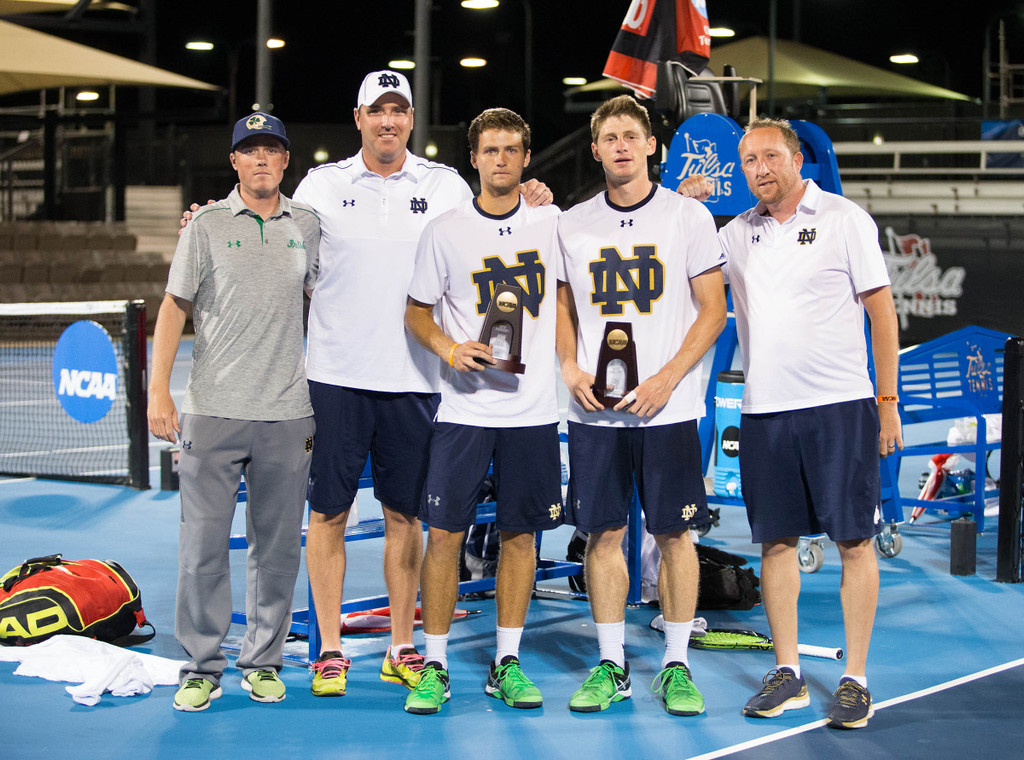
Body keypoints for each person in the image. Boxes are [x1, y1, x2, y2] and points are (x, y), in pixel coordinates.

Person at [289, 71, 553, 697]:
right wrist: (209, 213)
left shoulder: (445, 186)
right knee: (328, 514)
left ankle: (402, 646)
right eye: (377, 111)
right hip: (335, 377)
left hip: (419, 381)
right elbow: (275, 233)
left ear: (411, 120)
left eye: (399, 111)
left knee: (405, 518)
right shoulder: (321, 186)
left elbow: (496, 227)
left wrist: (532, 197)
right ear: (358, 118)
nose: (388, 121)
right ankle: (329, 649)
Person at [681, 117, 902, 729]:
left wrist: (887, 401)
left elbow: (882, 314)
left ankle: (855, 679)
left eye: (770, 156)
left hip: (840, 407)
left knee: (853, 540)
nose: (760, 168)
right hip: (765, 411)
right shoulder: (732, 234)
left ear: (797, 159)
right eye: (749, 160)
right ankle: (788, 673)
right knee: (775, 543)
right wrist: (686, 206)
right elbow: (682, 268)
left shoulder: (844, 219)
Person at [555, 94, 726, 716]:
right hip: (594, 410)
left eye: (632, 135)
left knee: (675, 533)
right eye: (610, 138)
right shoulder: (572, 223)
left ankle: (676, 664)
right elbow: (564, 307)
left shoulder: (689, 217)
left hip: (668, 410)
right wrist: (569, 364)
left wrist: (667, 379)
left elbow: (714, 312)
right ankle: (611, 663)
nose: (621, 146)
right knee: (603, 532)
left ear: (652, 145)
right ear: (596, 149)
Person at [149, 112, 320, 712]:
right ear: (235, 163)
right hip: (212, 411)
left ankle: (263, 660)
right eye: (250, 152)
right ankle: (201, 665)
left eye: (272, 150)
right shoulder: (206, 226)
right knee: (202, 546)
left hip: (288, 413)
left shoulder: (309, 225)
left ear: (285, 160)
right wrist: (158, 391)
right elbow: (174, 308)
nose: (262, 160)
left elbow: (331, 297)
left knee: (277, 549)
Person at [402, 108, 564, 715]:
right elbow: (417, 311)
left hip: (531, 413)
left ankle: (506, 661)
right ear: (473, 159)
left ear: (526, 159)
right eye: (490, 150)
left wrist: (691, 194)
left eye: (512, 150)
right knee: (443, 535)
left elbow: (621, 227)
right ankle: (436, 664)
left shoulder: (552, 223)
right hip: (463, 413)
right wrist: (448, 347)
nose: (501, 159)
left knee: (521, 537)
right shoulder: (443, 231)